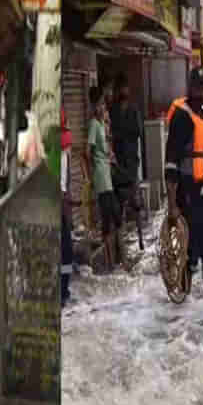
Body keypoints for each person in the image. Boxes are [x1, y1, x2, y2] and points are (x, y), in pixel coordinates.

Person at [165, 67, 203, 292]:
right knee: (188, 252)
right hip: (186, 192)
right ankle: (184, 306)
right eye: (201, 87)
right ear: (191, 87)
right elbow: (170, 162)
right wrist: (172, 205)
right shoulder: (182, 116)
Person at [87, 85, 121, 270]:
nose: (103, 108)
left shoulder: (101, 124)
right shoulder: (93, 124)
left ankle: (115, 260)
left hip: (107, 174)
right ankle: (110, 263)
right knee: (108, 218)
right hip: (101, 177)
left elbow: (106, 147)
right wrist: (90, 175)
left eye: (103, 104)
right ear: (94, 106)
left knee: (115, 217)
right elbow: (87, 151)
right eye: (100, 104)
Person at [109, 73, 142, 213]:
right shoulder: (112, 110)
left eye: (125, 88)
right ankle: (120, 217)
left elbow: (138, 131)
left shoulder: (133, 109)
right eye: (120, 89)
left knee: (133, 192)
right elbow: (111, 132)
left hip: (131, 157)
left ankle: (135, 207)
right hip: (118, 158)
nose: (123, 91)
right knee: (118, 195)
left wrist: (123, 134)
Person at [60, 107, 74, 306]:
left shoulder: (63, 155)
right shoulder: (61, 155)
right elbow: (62, 190)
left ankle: (63, 291)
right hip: (59, 206)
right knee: (66, 250)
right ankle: (63, 292)